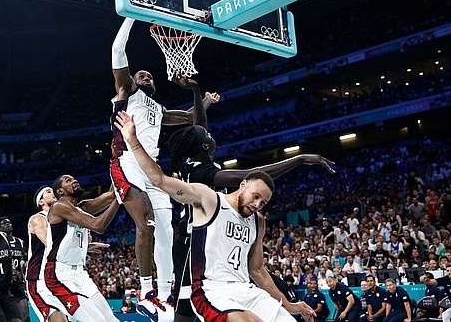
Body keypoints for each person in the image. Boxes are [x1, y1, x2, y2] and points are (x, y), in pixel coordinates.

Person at [114, 111, 316, 322]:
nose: (257, 205)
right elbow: (159, 180)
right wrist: (133, 140)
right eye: (255, 197)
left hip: (244, 288)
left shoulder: (258, 221)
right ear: (243, 184)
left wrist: (289, 305)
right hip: (207, 282)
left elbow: (257, 269)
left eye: (263, 202)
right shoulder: (208, 197)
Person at [166, 122, 335, 321]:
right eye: (208, 134)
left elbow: (199, 125)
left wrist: (200, 97)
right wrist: (300, 160)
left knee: (273, 285)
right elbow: (254, 176)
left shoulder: (203, 164)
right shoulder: (200, 172)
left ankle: (289, 308)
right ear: (204, 146)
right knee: (186, 311)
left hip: (216, 238)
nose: (211, 134)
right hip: (192, 244)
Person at [109, 17, 214, 321]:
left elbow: (193, 117)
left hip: (151, 167)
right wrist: (131, 15)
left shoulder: (160, 110)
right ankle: (144, 292)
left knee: (167, 231)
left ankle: (166, 292)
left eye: (148, 75)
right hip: (126, 160)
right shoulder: (127, 93)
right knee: (148, 226)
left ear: (155, 84)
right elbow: (117, 48)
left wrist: (200, 95)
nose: (143, 75)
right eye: (139, 74)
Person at [39, 175, 120, 322]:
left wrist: (119, 166)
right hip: (59, 275)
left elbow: (111, 195)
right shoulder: (59, 206)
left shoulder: (81, 207)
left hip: (80, 274)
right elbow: (98, 226)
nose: (74, 181)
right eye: (68, 181)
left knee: (110, 319)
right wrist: (119, 200)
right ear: (60, 191)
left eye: (74, 179)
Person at [26, 186, 67, 322]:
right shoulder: (38, 219)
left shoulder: (60, 220)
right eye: (48, 192)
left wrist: (86, 246)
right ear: (41, 202)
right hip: (39, 278)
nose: (53, 193)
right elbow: (50, 244)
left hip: (56, 276)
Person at [0, 217, 29, 322]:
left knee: (25, 317)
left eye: (9, 222)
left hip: (17, 283)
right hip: (4, 284)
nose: (7, 224)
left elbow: (24, 260)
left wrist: (21, 274)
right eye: (4, 223)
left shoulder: (20, 242)